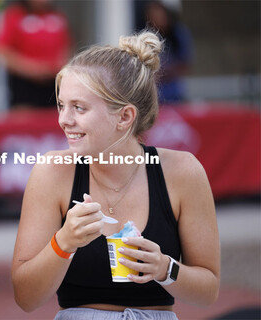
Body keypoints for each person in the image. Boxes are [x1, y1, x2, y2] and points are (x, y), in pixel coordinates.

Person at [11, 31, 219, 319]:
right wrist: (64, 242)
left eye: (79, 108)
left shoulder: (183, 172)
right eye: (61, 105)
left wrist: (164, 268)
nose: (64, 120)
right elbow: (26, 297)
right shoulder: (52, 172)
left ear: (125, 117)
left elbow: (208, 291)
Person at [0, 0, 72, 109]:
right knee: (25, 122)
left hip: (54, 80)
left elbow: (66, 46)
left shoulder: (57, 16)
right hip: (24, 83)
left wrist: (60, 66)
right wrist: (30, 68)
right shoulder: (14, 15)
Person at [145, 0, 193, 103]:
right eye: (153, 14)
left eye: (159, 14)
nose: (157, 18)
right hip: (151, 94)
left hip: (174, 93)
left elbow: (185, 63)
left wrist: (161, 72)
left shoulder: (178, 35)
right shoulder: (146, 36)